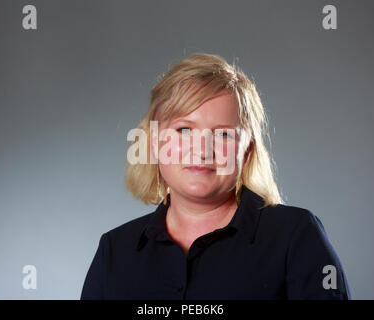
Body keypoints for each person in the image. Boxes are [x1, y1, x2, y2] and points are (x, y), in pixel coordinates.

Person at [80, 53, 351, 299]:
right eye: (184, 130)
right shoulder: (114, 251)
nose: (201, 151)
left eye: (223, 134)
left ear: (247, 151)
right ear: (153, 142)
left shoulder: (296, 237)